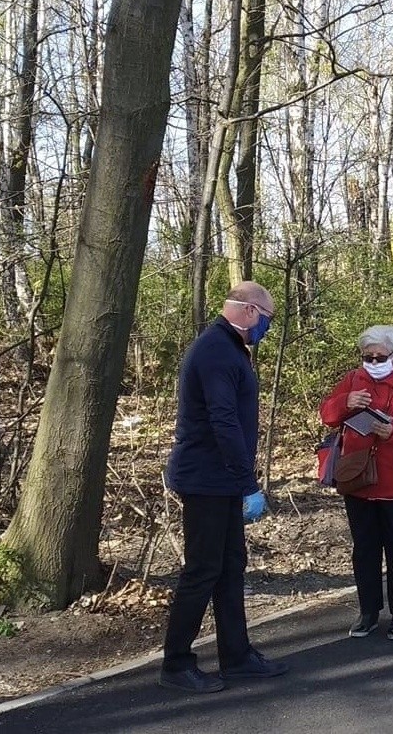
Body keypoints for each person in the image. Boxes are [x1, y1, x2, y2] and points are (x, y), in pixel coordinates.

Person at [160, 281, 289, 694]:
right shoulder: (216, 349)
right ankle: (176, 664)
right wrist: (246, 482)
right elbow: (222, 420)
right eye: (266, 319)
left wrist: (239, 481)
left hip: (223, 480)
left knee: (231, 565)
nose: (266, 327)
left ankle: (236, 656)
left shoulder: (231, 349)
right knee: (202, 571)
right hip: (207, 480)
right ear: (249, 311)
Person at [319, 324, 393, 641]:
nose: (372, 361)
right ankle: (368, 612)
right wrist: (346, 403)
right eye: (367, 356)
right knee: (365, 550)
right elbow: (327, 414)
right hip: (358, 482)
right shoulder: (352, 380)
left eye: (379, 356)